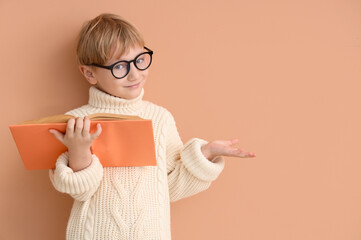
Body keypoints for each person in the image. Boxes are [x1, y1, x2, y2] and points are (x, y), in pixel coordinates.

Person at [48, 13, 256, 240]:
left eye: (139, 60)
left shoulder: (159, 118)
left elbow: (169, 187)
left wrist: (205, 154)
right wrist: (79, 152)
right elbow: (80, 191)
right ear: (89, 73)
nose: (135, 74)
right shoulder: (75, 124)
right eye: (120, 67)